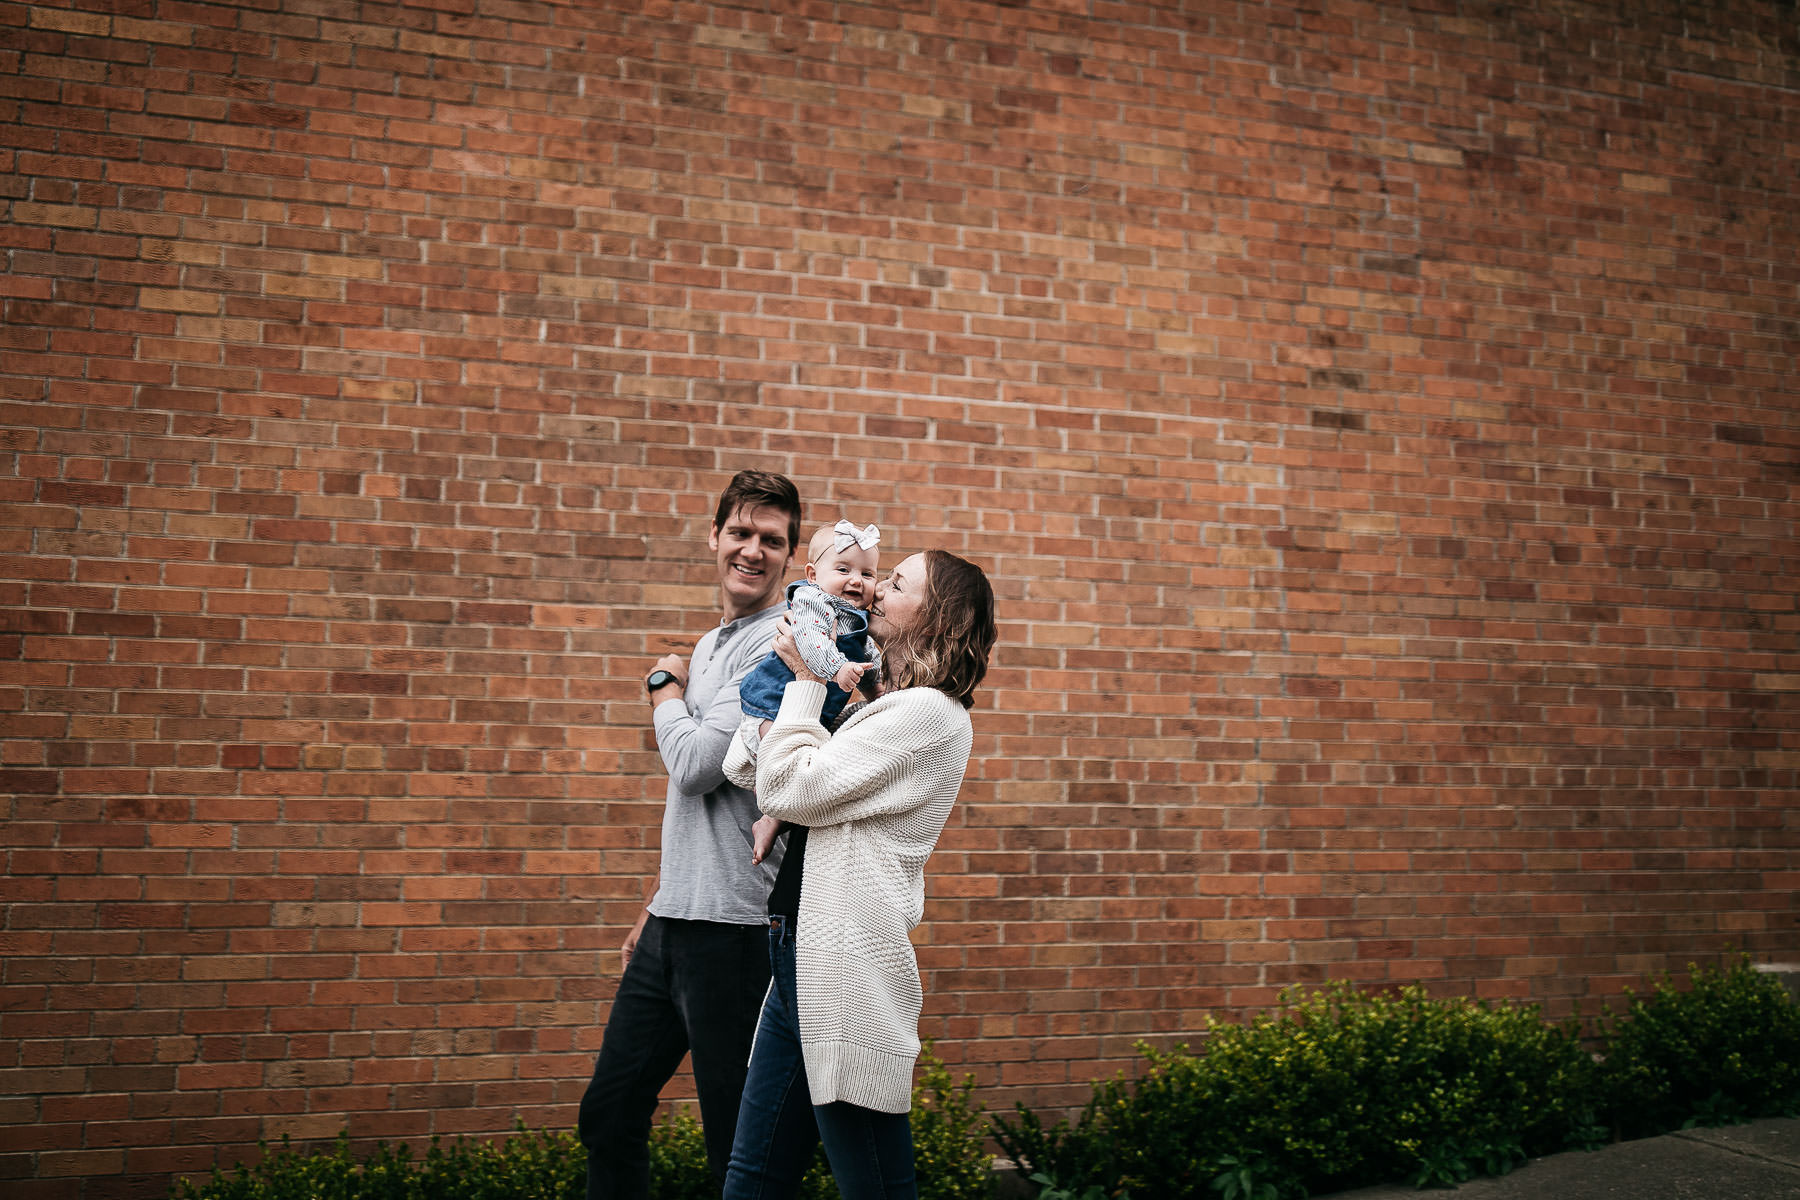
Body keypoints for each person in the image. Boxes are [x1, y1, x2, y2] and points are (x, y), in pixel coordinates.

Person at [720, 549, 998, 1200]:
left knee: (875, 1187)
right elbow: (747, 766)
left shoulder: (928, 715)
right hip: (796, 953)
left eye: (897, 584)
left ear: (935, 619)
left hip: (844, 971)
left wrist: (805, 683)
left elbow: (786, 787)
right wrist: (798, 685)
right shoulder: (873, 696)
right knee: (752, 1182)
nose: (873, 591)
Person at [577, 469, 802, 1200]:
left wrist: (660, 687)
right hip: (673, 923)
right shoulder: (709, 645)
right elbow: (703, 807)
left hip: (734, 935)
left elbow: (699, 766)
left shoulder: (781, 646)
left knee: (734, 1150)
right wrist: (659, 896)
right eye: (741, 532)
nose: (753, 551)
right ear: (714, 537)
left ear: (790, 557)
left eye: (772, 540)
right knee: (608, 1115)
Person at [735, 519, 883, 867]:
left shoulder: (855, 617)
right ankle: (767, 792)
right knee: (782, 754)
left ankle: (771, 821)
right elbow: (812, 640)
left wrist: (876, 684)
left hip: (813, 712)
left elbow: (867, 653)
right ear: (813, 574)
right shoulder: (812, 600)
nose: (855, 580)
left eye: (868, 574)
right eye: (844, 569)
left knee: (809, 769)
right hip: (772, 703)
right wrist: (837, 668)